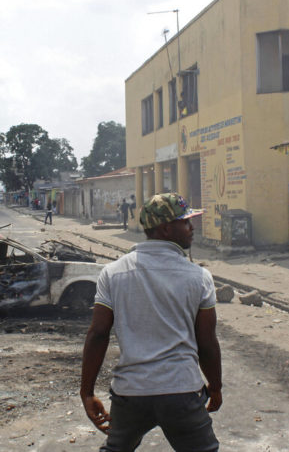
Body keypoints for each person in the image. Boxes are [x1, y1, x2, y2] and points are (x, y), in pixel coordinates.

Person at [80, 192, 222, 451]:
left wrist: (87, 392)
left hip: (130, 393)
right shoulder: (199, 277)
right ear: (166, 228)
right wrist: (215, 386)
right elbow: (207, 343)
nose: (192, 228)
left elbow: (98, 333)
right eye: (186, 222)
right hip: (182, 390)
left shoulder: (113, 273)